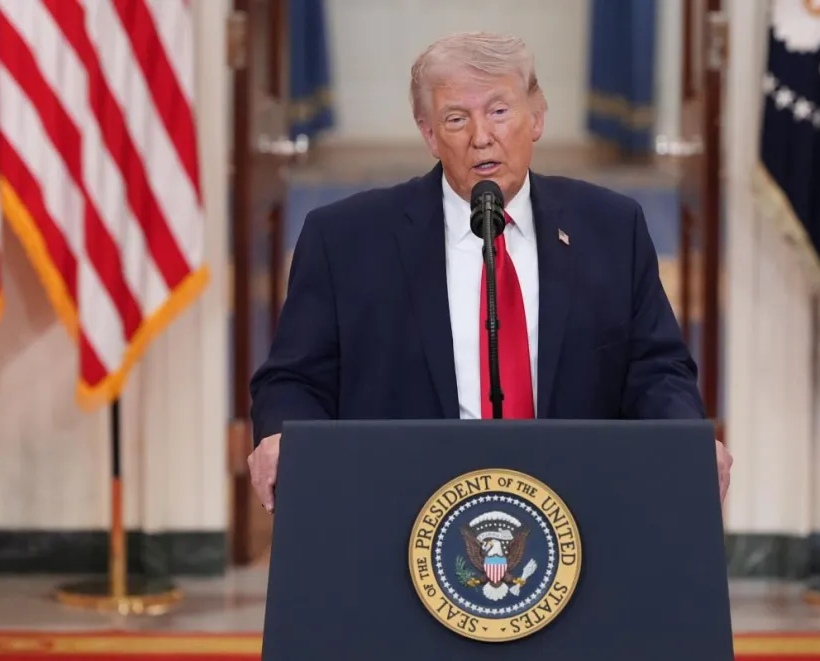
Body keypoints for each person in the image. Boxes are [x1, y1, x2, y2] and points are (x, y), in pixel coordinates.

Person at [247, 31, 732, 513]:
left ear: (537, 117)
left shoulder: (610, 228)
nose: (482, 137)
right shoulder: (345, 240)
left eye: (499, 111)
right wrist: (281, 436)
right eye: (456, 118)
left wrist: (687, 438)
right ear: (429, 134)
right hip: (399, 512)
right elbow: (293, 379)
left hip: (577, 513)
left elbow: (657, 370)